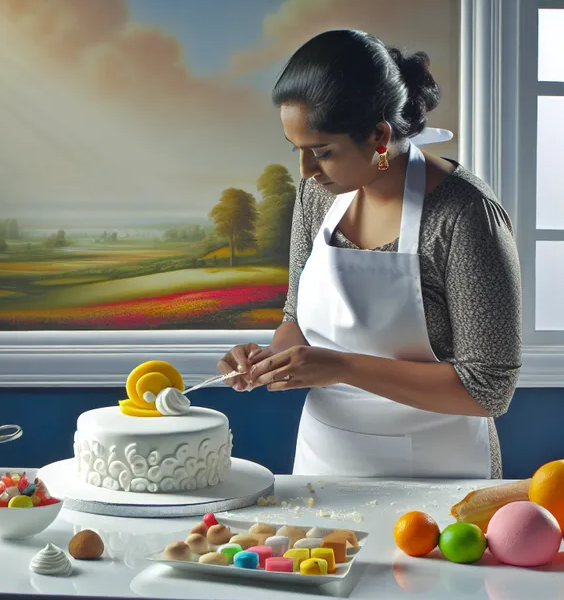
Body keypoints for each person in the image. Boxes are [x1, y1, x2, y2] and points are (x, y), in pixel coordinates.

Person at [218, 29, 522, 479]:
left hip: (442, 469)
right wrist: (271, 361)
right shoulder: (319, 194)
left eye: (322, 151)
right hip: (326, 459)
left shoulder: (464, 216)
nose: (305, 170)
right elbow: (295, 318)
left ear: (380, 135)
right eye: (297, 150)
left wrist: (340, 366)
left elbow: (489, 388)